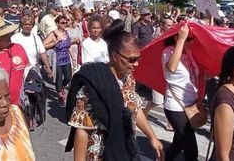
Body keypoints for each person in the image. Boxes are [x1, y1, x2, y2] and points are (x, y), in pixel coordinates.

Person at [65, 19, 164, 161]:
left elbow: (134, 108)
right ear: (115, 56)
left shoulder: (129, 78)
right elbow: (82, 128)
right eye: (131, 59)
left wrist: (152, 137)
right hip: (99, 153)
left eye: (138, 58)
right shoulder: (94, 82)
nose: (136, 64)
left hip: (124, 149)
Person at [161, 23, 207, 161]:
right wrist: (181, 40)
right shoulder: (168, 51)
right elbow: (172, 68)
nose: (191, 42)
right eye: (189, 39)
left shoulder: (189, 52)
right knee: (191, 151)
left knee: (178, 143)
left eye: (191, 39)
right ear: (177, 37)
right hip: (176, 107)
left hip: (190, 105)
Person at [43, 15, 75, 105]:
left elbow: (69, 47)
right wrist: (55, 42)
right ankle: (60, 96)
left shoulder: (67, 33)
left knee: (68, 77)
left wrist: (73, 58)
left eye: (66, 22)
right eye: (62, 23)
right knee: (58, 78)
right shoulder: (53, 34)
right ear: (57, 24)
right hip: (57, 58)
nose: (64, 24)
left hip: (66, 58)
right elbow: (43, 45)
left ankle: (61, 88)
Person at [11, 15, 53, 79]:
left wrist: (48, 68)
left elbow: (42, 53)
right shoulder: (14, 38)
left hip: (34, 69)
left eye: (30, 24)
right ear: (21, 25)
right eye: (25, 24)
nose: (27, 26)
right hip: (19, 70)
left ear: (32, 26)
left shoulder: (36, 38)